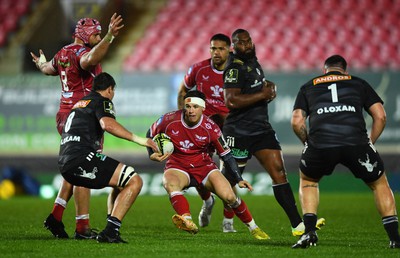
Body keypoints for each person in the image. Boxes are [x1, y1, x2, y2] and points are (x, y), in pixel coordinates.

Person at [222, 28, 325, 236]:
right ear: (234, 46)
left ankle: (297, 225)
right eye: (241, 43)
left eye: (248, 41)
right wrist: (262, 94)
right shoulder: (234, 68)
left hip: (261, 130)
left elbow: (259, 90)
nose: (246, 45)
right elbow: (231, 100)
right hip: (238, 132)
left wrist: (268, 90)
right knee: (227, 184)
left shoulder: (254, 62)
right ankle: (208, 197)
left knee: (279, 173)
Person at [291, 55, 400, 249]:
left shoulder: (309, 86)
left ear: (325, 70)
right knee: (379, 184)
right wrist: (370, 143)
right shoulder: (358, 83)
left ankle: (309, 233)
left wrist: (307, 142)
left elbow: (297, 120)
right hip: (356, 143)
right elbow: (381, 116)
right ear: (344, 70)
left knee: (308, 182)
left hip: (320, 145)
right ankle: (394, 239)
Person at [30, 13, 124, 239]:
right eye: (96, 34)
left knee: (75, 164)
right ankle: (82, 227)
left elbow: (48, 69)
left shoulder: (63, 52)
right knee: (85, 167)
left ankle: (56, 215)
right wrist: (110, 36)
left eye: (101, 34)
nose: (99, 37)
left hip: (65, 115)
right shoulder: (82, 53)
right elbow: (89, 59)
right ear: (83, 34)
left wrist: (41, 62)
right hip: (82, 116)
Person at [148, 90, 270, 240]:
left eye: (195, 106)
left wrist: (238, 178)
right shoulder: (169, 119)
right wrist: (151, 153)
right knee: (170, 184)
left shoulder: (211, 128)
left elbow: (226, 155)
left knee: (230, 197)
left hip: (204, 167)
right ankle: (187, 220)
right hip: (178, 165)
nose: (191, 110)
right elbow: (150, 133)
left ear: (203, 108)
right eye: (188, 106)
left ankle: (254, 228)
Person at [58, 72, 157, 243]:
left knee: (121, 182)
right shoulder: (102, 101)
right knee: (135, 181)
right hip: (82, 158)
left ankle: (103, 228)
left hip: (65, 162)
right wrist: (141, 140)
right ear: (110, 89)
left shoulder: (79, 104)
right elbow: (108, 124)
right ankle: (111, 232)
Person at [177, 33, 238, 232]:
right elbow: (182, 92)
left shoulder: (237, 70)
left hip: (229, 127)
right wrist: (183, 120)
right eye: (213, 48)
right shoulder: (198, 69)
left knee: (228, 173)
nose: (216, 52)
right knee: (197, 169)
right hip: (203, 127)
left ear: (229, 50)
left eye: (220, 48)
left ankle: (228, 221)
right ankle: (207, 200)